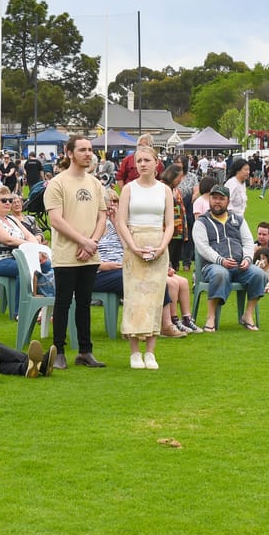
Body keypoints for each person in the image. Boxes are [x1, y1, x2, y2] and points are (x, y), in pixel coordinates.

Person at [41, 134, 109, 368]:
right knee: (62, 304)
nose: (88, 154)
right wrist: (83, 241)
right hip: (66, 255)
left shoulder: (95, 183)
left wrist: (92, 242)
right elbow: (56, 220)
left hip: (90, 254)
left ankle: (85, 351)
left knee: (84, 304)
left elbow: (102, 217)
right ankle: (58, 351)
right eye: (82, 150)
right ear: (69, 153)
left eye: (90, 149)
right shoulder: (57, 183)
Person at [114, 143, 173, 368]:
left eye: (147, 160)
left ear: (156, 163)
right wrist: (132, 246)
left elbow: (169, 224)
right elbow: (121, 222)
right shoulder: (129, 189)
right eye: (139, 161)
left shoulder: (164, 190)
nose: (142, 164)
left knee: (154, 299)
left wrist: (161, 247)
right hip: (134, 244)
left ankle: (150, 352)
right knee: (134, 298)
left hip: (158, 244)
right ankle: (134, 352)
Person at [192, 180, 266, 332]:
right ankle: (211, 317)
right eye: (214, 198)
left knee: (259, 274)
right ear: (210, 199)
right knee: (220, 274)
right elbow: (203, 248)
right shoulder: (202, 222)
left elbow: (248, 241)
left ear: (228, 201)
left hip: (239, 265)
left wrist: (247, 259)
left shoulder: (238, 220)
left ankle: (248, 314)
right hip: (213, 265)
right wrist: (221, 260)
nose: (217, 202)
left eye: (221, 198)